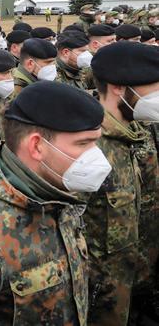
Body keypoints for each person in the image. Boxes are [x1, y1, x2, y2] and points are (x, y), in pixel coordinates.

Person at [0, 81, 109, 325]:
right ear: (37, 146)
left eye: (95, 142)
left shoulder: (56, 193)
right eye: (83, 144)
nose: (96, 155)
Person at [85, 42, 159, 326]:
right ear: (118, 87)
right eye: (153, 88)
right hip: (105, 300)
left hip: (142, 281)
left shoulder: (141, 127)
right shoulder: (85, 146)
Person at [80, 24, 116, 91]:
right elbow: (79, 93)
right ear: (95, 44)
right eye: (110, 41)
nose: (115, 43)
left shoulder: (103, 58)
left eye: (115, 40)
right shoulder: (86, 63)